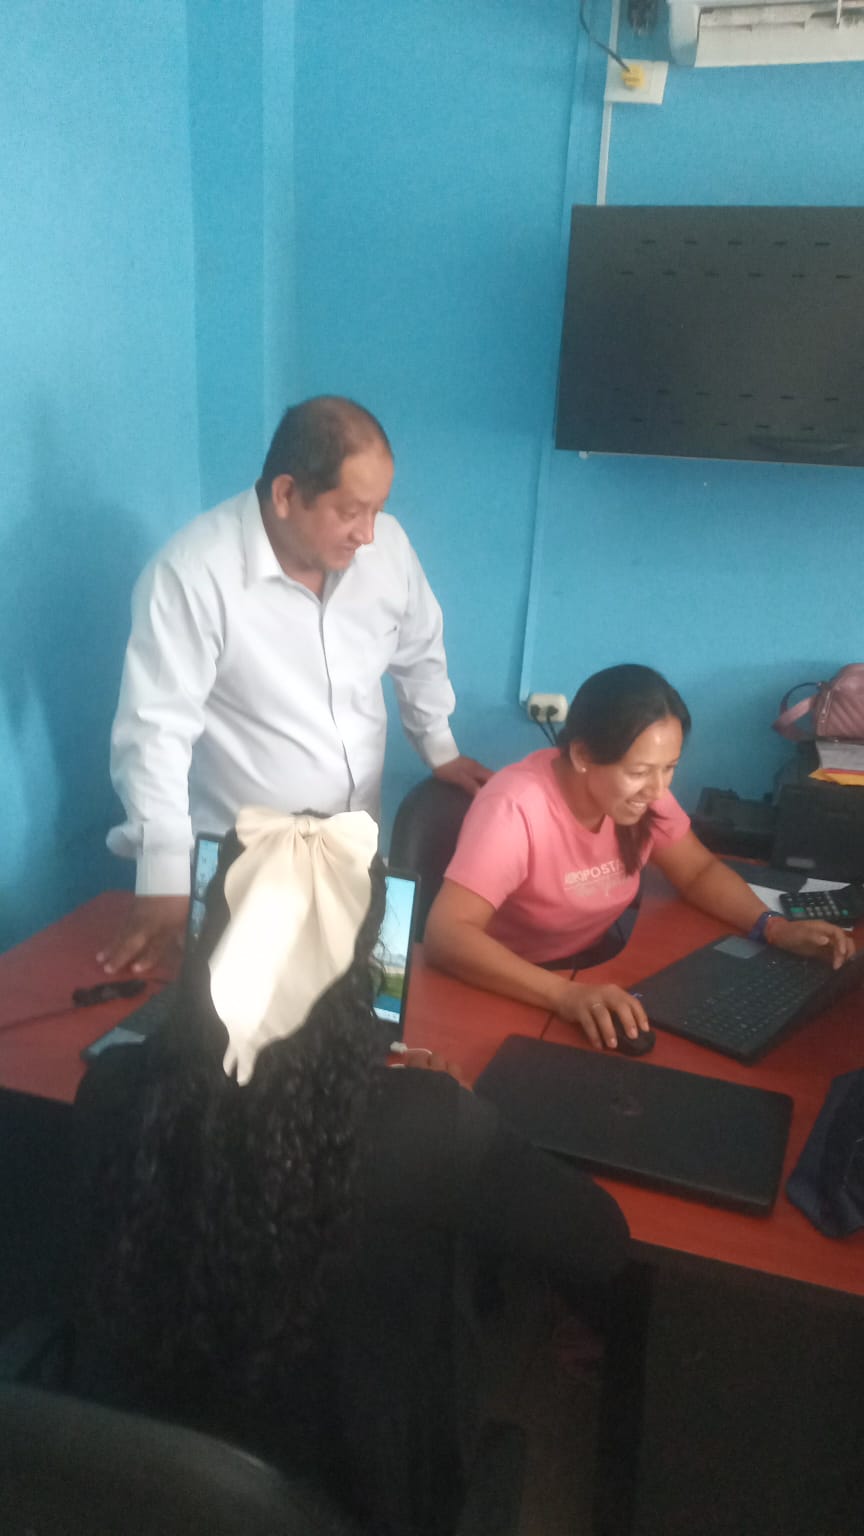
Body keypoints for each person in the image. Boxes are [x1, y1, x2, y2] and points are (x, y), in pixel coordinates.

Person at [75, 808, 630, 1536]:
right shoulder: (426, 1125)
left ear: (211, 937)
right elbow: (601, 1243)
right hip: (361, 1495)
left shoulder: (114, 1083)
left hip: (131, 1474)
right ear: (364, 957)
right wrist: (464, 1115)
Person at [100, 395, 490, 976]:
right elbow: (155, 732)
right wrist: (162, 874)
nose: (368, 533)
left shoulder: (387, 551)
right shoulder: (192, 574)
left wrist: (439, 745)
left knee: (366, 1012)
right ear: (285, 494)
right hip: (247, 874)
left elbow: (419, 648)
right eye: (351, 511)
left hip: (357, 855)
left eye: (378, 510)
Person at [425, 664, 856, 1051]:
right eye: (639, 771)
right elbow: (447, 935)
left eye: (669, 768)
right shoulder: (515, 808)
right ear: (582, 755)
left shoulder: (643, 797)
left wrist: (774, 928)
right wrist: (565, 995)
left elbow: (697, 871)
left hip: (589, 970)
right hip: (505, 984)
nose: (658, 790)